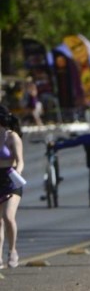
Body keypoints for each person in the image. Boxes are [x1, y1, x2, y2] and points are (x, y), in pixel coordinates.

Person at [0, 106, 24, 269]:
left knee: (8, 216)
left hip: (11, 178)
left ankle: (13, 250)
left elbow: (20, 161)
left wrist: (16, 174)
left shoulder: (12, 137)